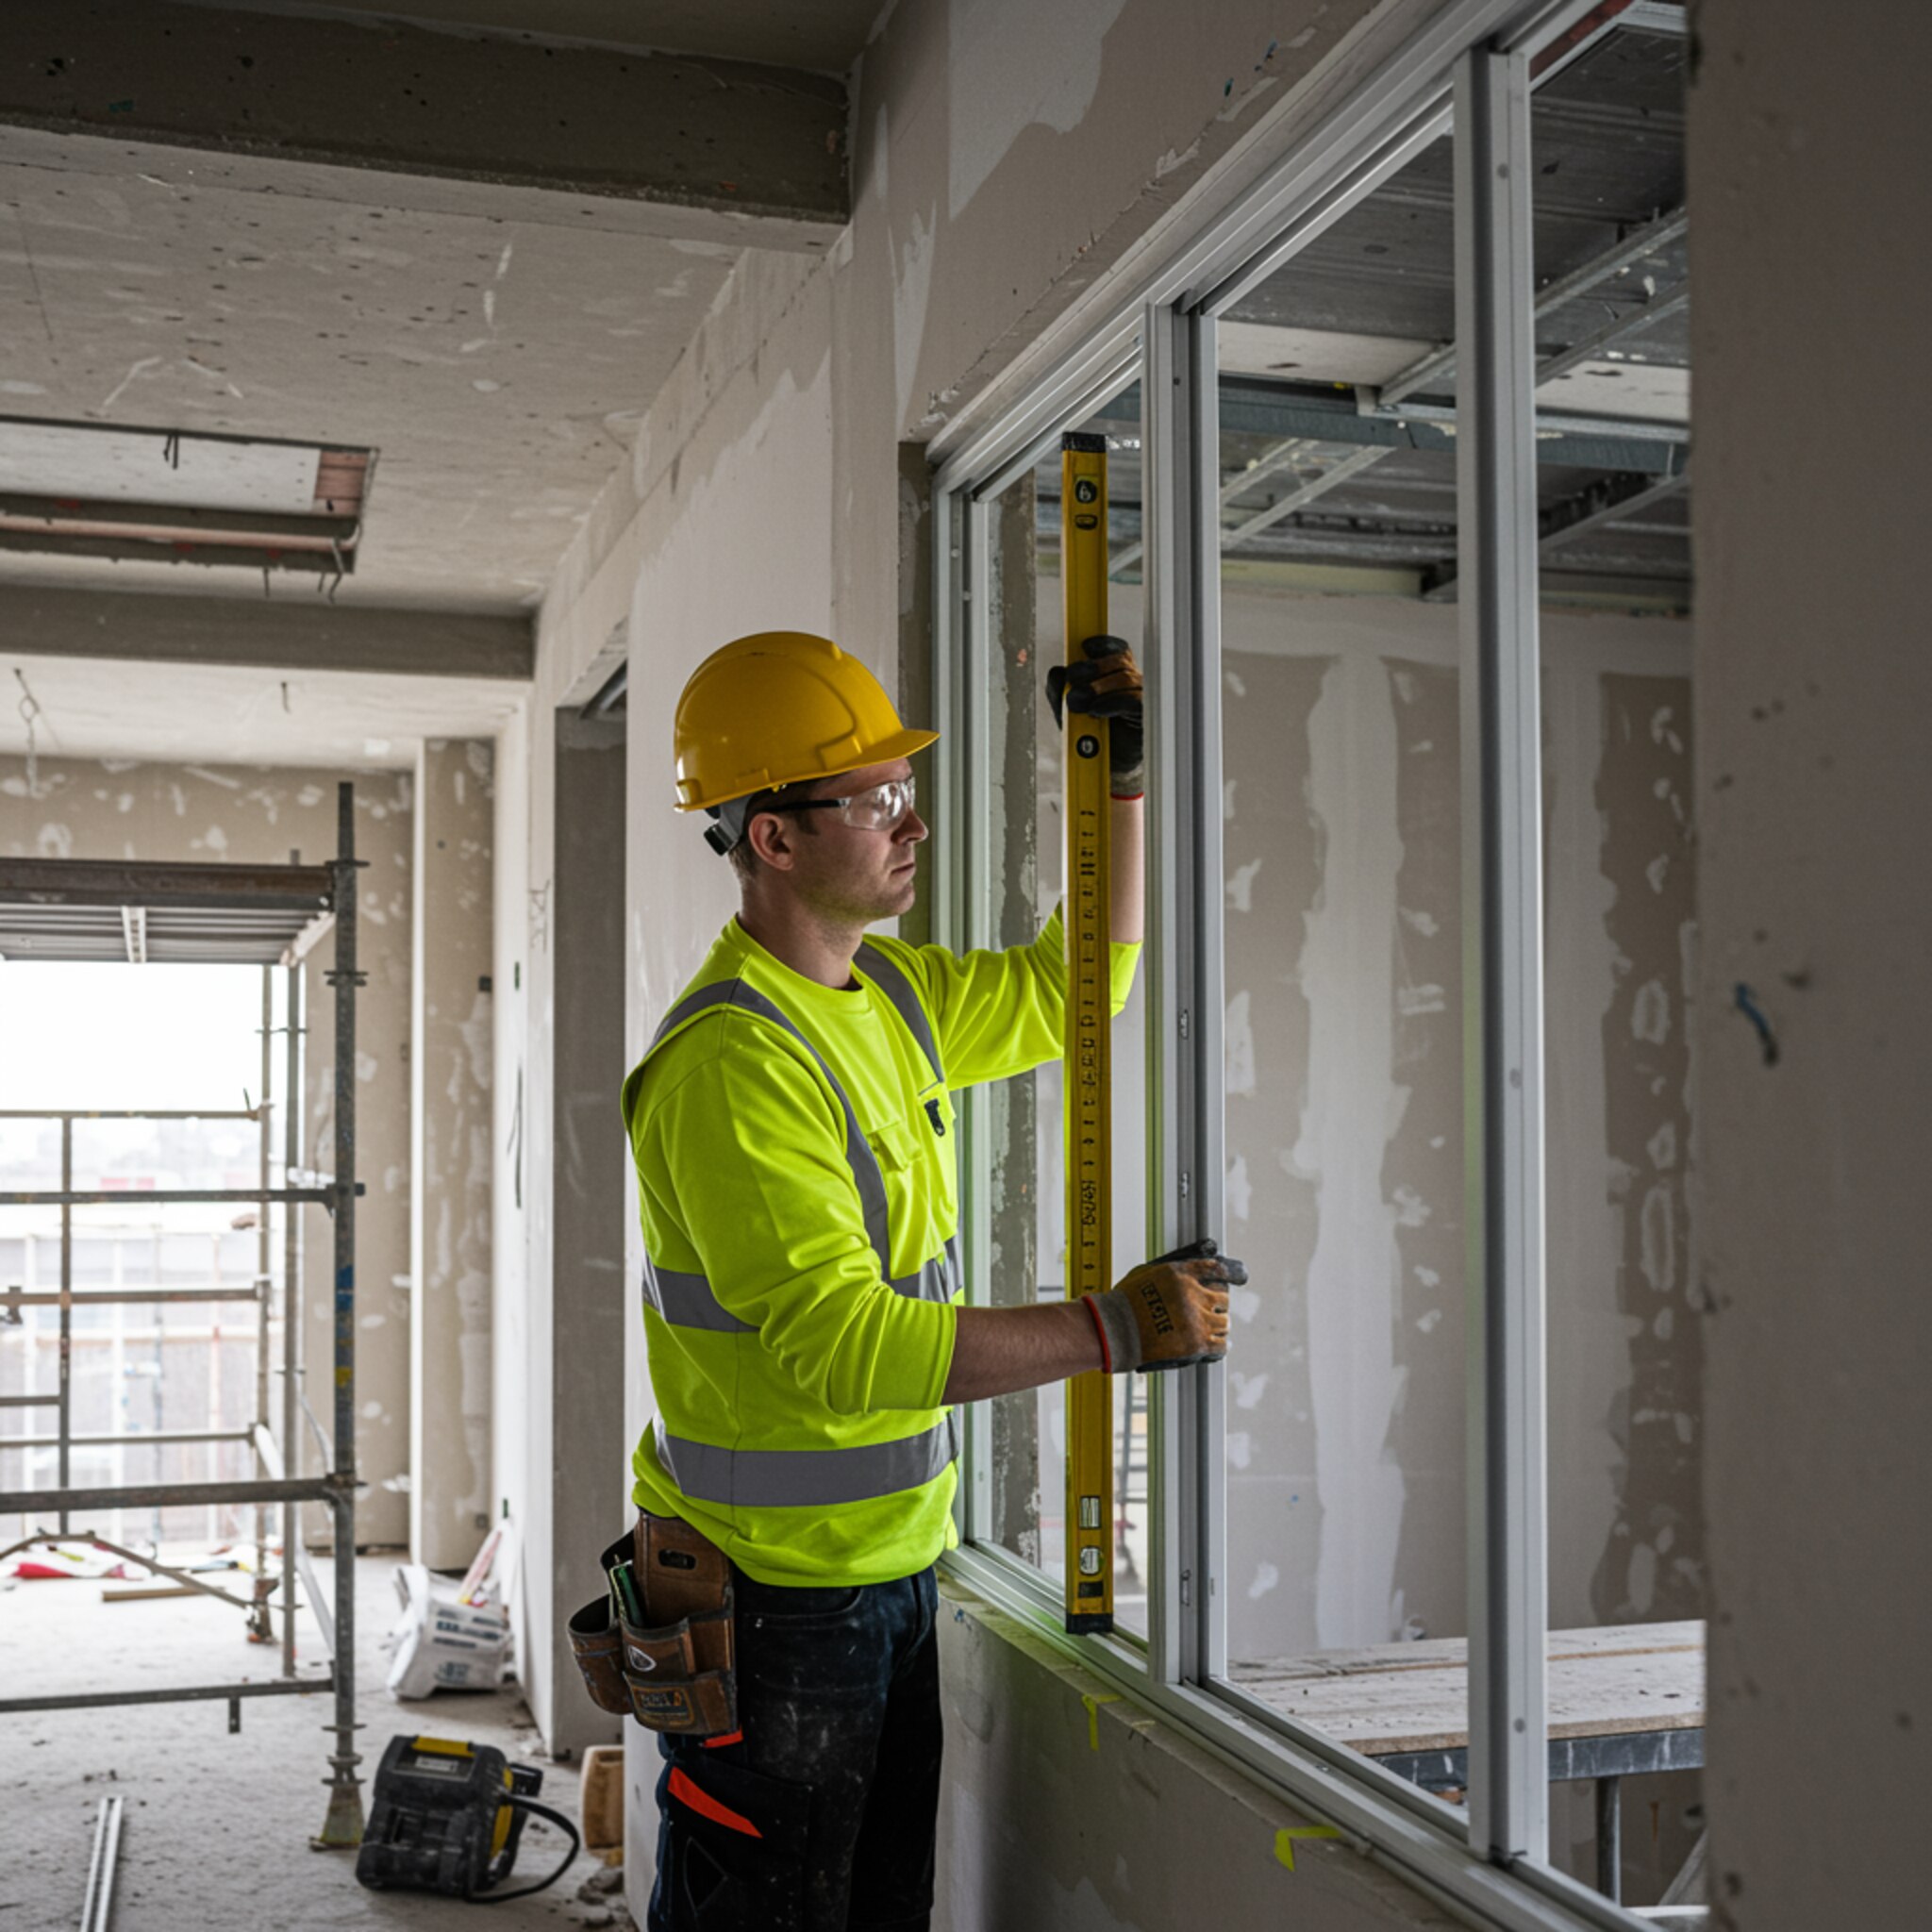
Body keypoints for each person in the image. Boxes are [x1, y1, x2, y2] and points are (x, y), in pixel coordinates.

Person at [621, 629, 1244, 1932]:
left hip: (890, 1569)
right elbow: (844, 1350)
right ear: (773, 839)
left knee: (876, 1910)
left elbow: (1084, 986)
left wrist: (1117, 789)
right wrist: (1112, 1332)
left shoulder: (888, 995)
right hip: (774, 1596)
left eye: (905, 789)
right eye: (876, 799)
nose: (912, 823)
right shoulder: (735, 1066)